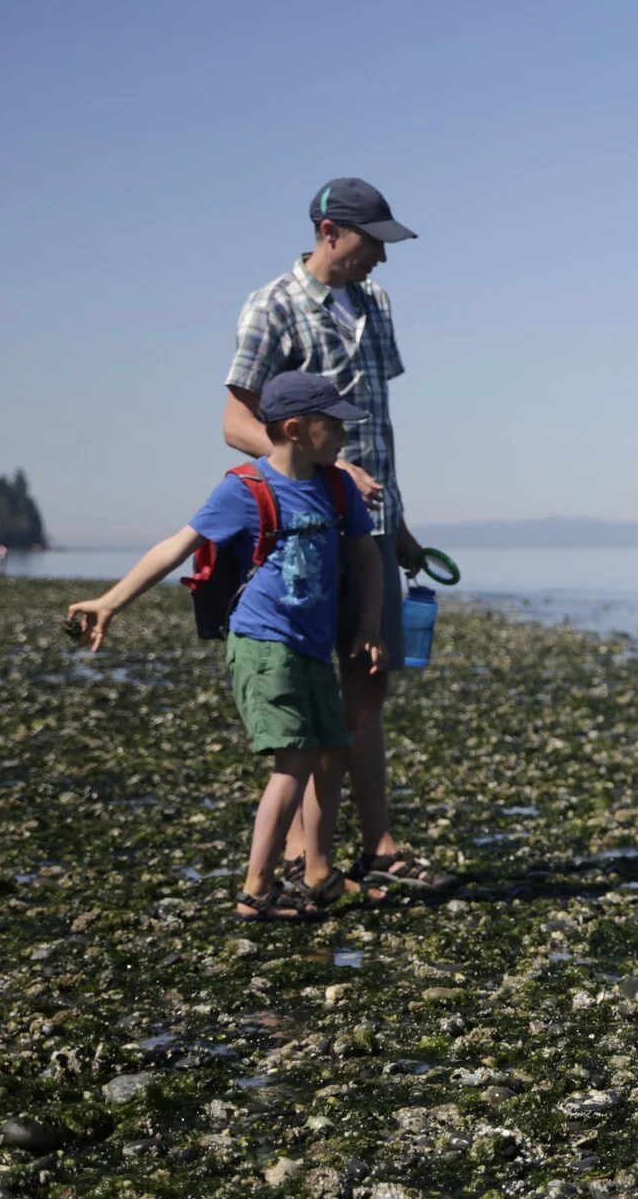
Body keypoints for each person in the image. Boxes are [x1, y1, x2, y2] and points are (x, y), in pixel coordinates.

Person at [68, 374, 386, 922]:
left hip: (314, 646)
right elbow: (178, 546)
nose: (342, 435)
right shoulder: (244, 488)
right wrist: (112, 602)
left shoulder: (335, 487)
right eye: (332, 425)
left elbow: (366, 557)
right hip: (263, 644)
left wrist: (370, 624)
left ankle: (318, 871)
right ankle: (257, 889)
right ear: (294, 428)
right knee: (297, 759)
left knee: (333, 752)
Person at [222, 176, 455, 896]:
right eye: (369, 243)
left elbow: (375, 432)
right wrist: (334, 472)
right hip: (309, 530)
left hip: (376, 526)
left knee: (370, 680)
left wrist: (402, 528)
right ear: (330, 233)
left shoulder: (375, 305)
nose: (380, 259)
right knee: (311, 692)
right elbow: (237, 424)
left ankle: (374, 844)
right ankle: (303, 856)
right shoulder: (274, 306)